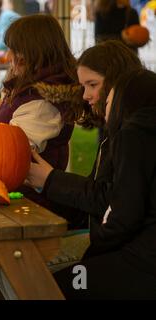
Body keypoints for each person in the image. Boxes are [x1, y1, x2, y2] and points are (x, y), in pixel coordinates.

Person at [27, 69, 156, 299]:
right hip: (137, 255)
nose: (105, 110)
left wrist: (92, 257)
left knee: (44, 287)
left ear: (124, 102)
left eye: (108, 101)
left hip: (140, 262)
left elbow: (122, 213)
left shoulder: (133, 135)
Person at [0, 14, 83, 221]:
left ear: (30, 54)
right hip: (6, 191)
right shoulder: (28, 83)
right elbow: (6, 103)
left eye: (12, 51)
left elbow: (11, 154)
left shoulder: (43, 105)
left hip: (30, 203)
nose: (8, 57)